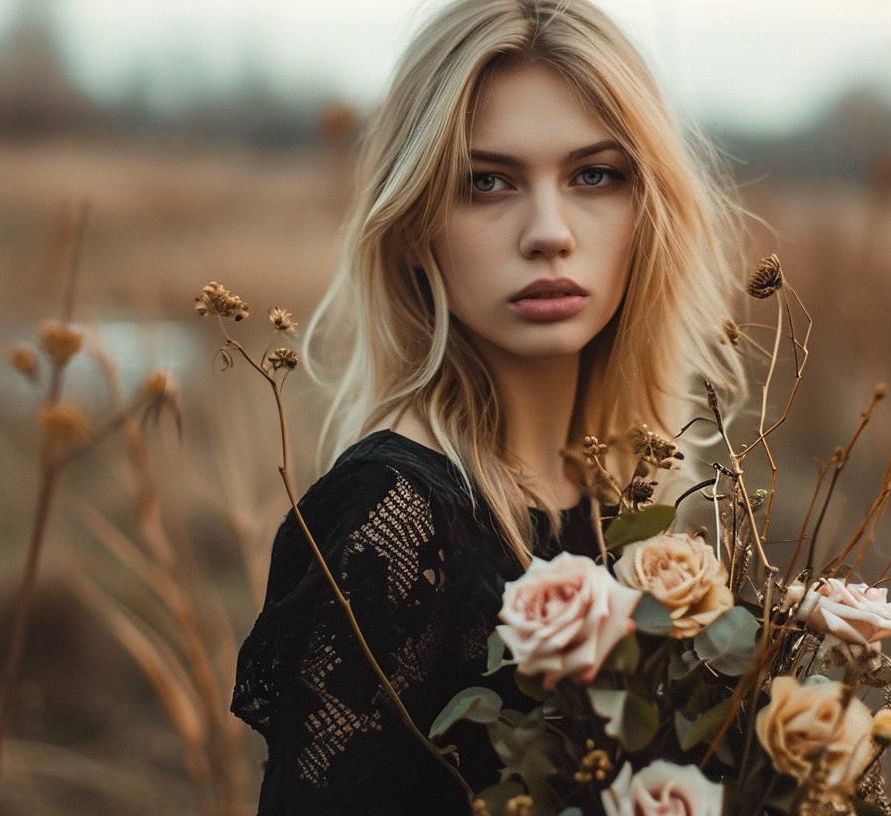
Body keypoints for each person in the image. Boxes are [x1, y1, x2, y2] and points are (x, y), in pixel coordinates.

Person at [231, 1, 746, 812]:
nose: (549, 232)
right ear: (415, 224)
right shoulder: (395, 519)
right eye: (487, 183)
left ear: (651, 211)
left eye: (594, 175)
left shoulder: (628, 496)